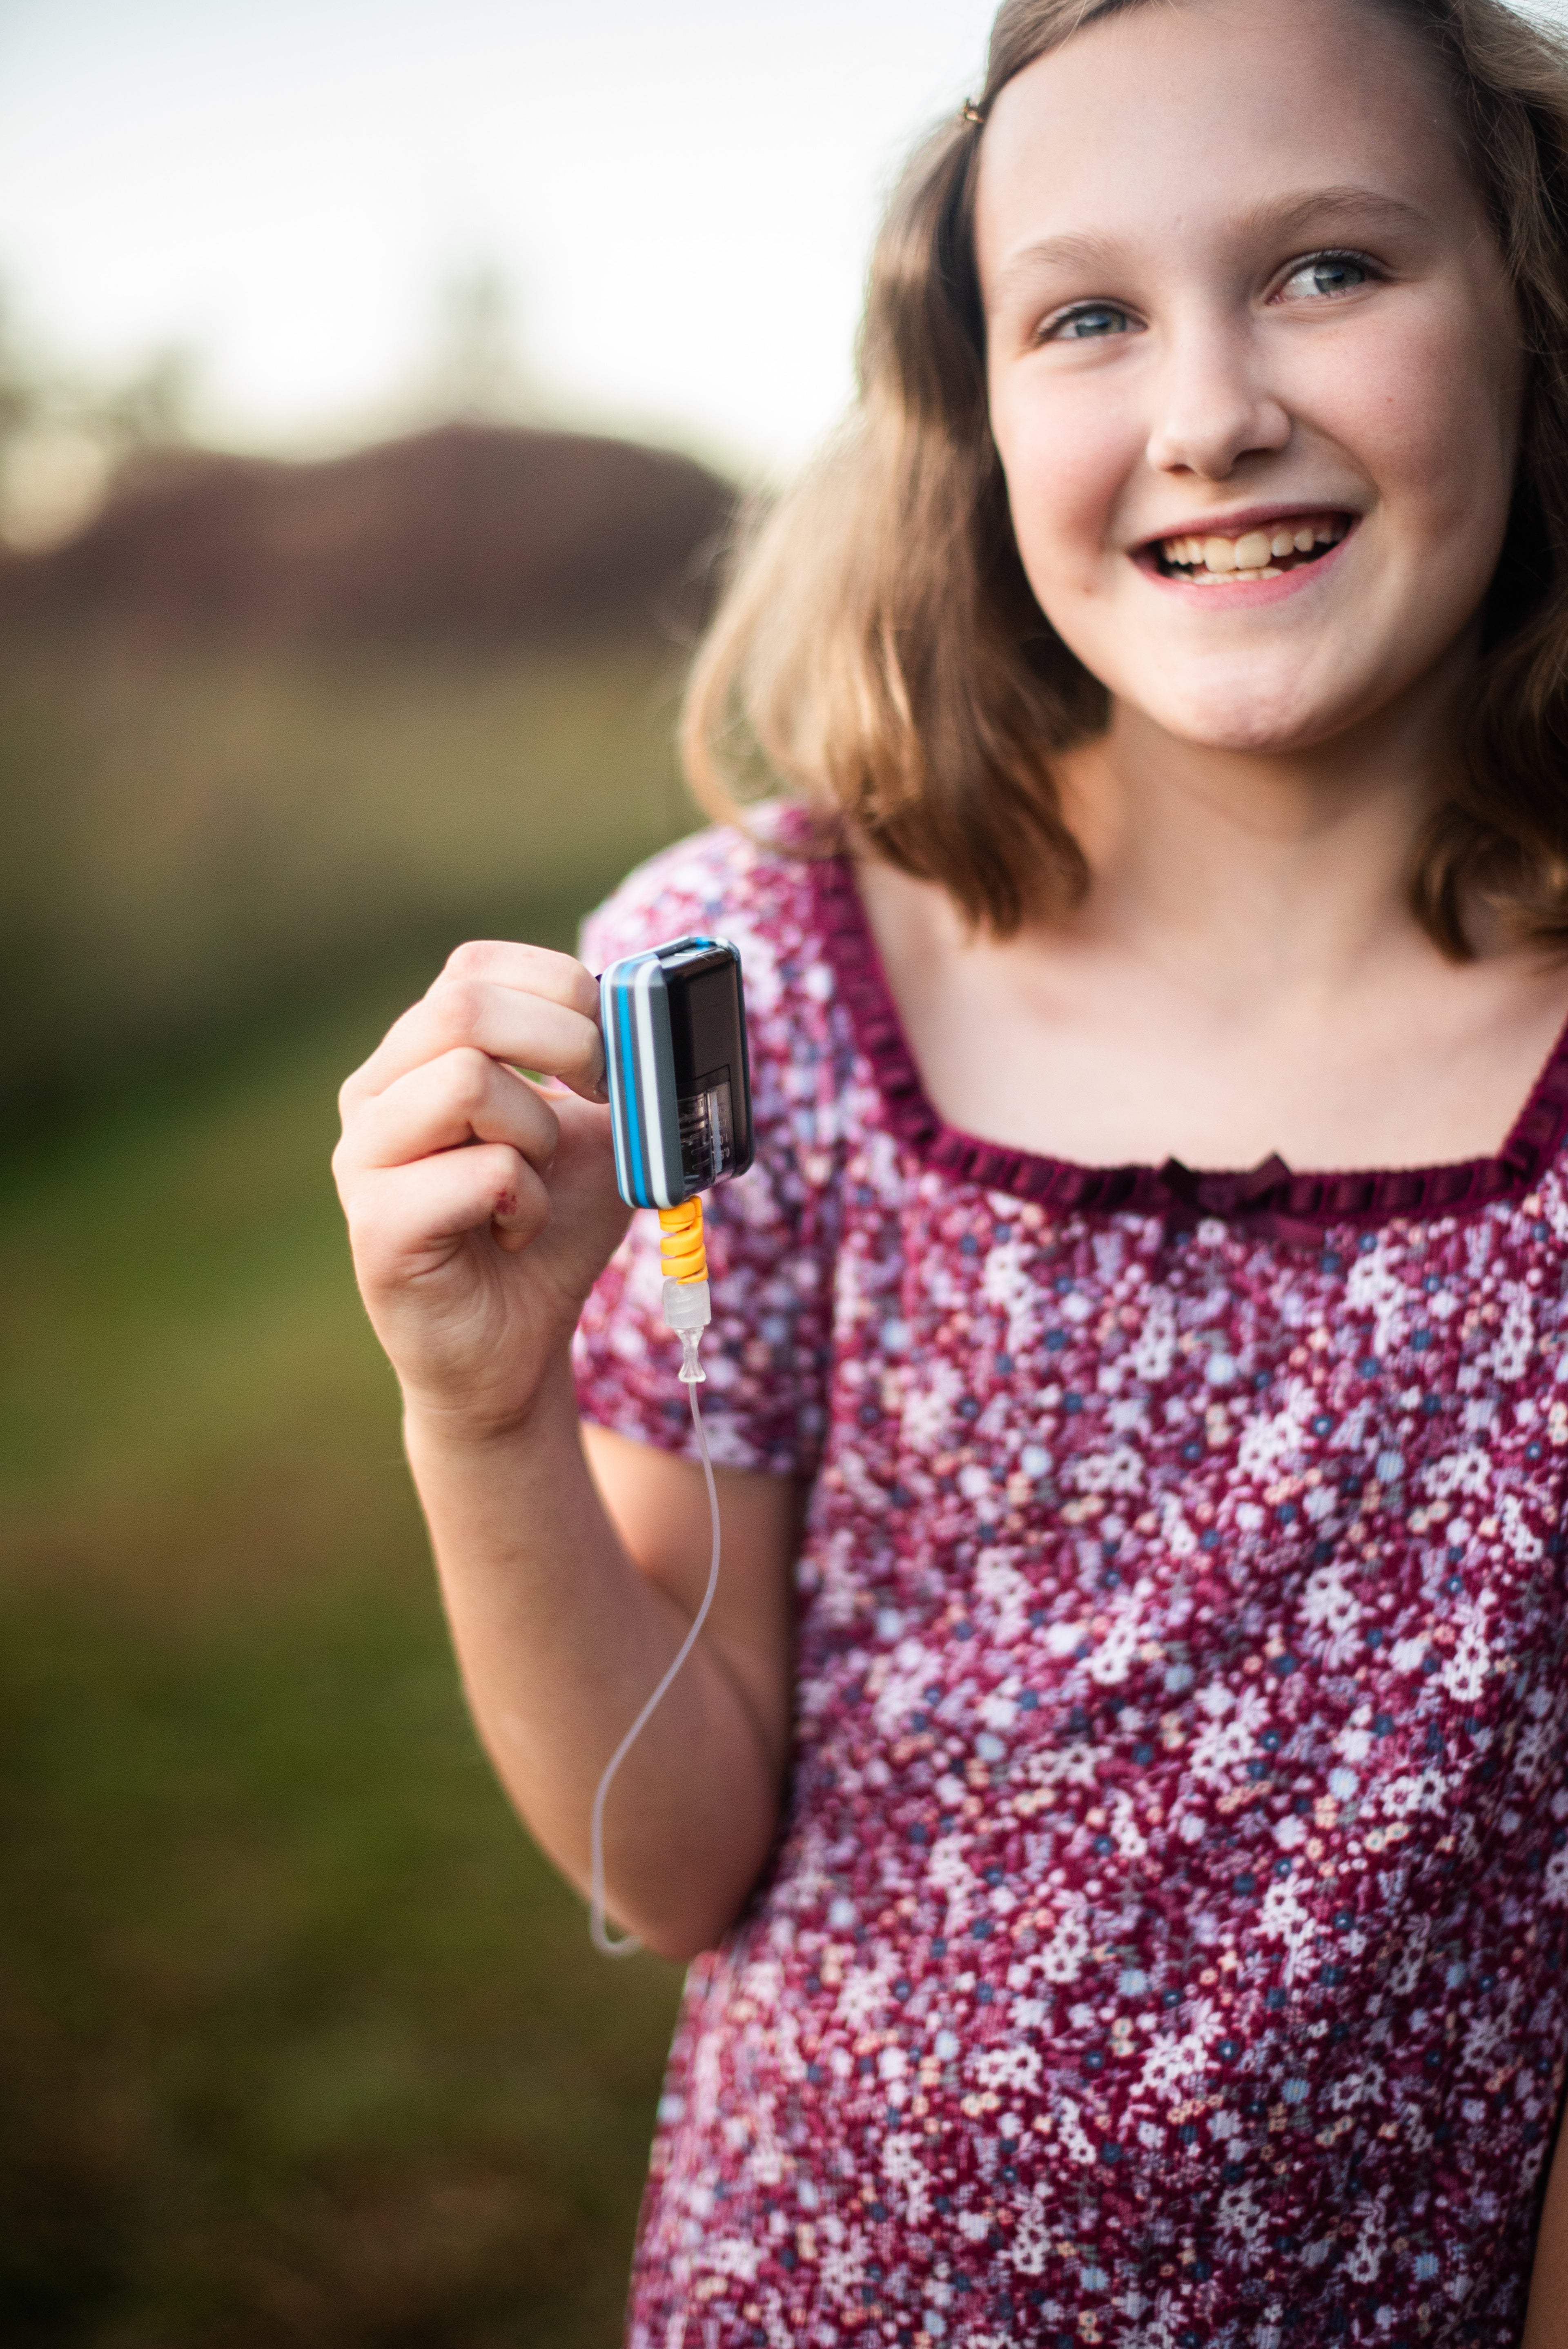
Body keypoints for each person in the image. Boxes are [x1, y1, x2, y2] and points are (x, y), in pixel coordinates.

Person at [332, 0, 1568, 2337]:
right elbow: (677, 1854)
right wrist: (481, 1415)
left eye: (1328, 268)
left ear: (1529, 312)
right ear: (980, 410)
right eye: (1087, 313)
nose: (1210, 411)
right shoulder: (753, 985)